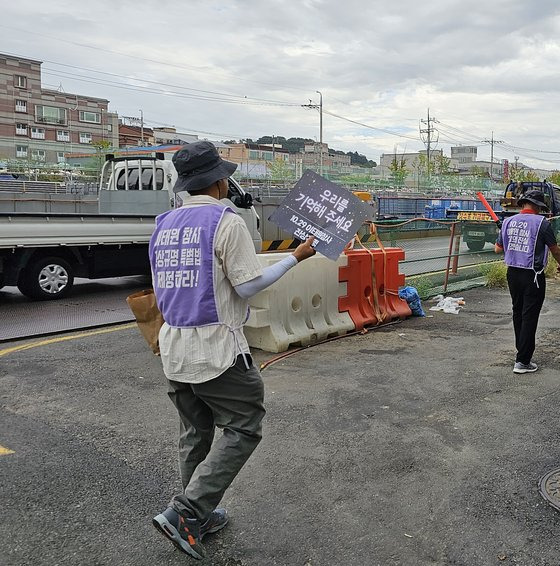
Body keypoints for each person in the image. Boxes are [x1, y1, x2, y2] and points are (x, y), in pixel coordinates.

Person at [148, 141, 316, 559]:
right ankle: (186, 513)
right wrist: (295, 257)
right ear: (220, 181)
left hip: (173, 346)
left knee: (195, 431)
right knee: (244, 425)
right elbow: (247, 285)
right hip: (217, 349)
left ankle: (199, 515)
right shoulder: (226, 221)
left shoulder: (163, 223)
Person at [495, 189, 560, 374]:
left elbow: (497, 249)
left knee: (518, 312)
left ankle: (521, 352)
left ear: (523, 204)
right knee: (530, 316)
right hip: (533, 275)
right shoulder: (543, 224)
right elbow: (555, 250)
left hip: (513, 274)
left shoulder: (507, 222)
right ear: (538, 207)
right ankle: (522, 361)